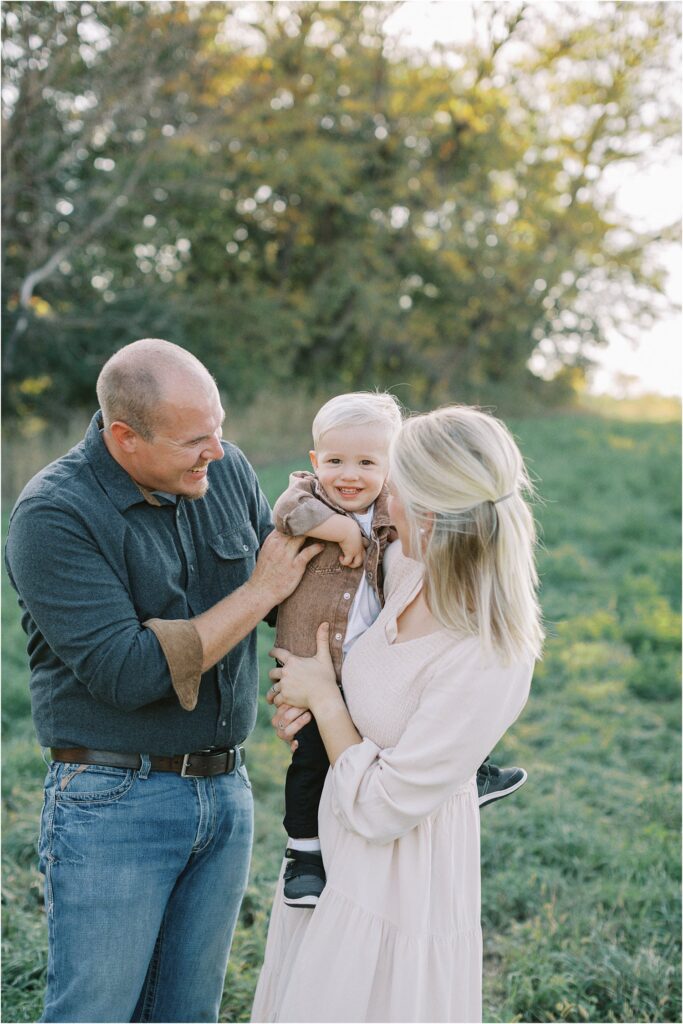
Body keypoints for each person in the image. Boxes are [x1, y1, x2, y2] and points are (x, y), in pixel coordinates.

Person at [4, 338, 322, 1024]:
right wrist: (261, 589)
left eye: (219, 427)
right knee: (95, 1012)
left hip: (226, 792)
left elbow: (288, 594)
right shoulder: (52, 515)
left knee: (188, 1013)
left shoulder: (226, 468)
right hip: (114, 800)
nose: (217, 449)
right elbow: (128, 670)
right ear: (125, 437)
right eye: (193, 440)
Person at [252, 404, 543, 1024]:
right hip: (335, 855)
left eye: (395, 486)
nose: (383, 504)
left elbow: (384, 808)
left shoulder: (487, 656)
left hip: (399, 884)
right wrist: (303, 707)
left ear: (432, 511)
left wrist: (324, 698)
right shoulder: (410, 569)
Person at [271, 392, 400, 906]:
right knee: (312, 759)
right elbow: (286, 512)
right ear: (313, 462)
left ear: (391, 466)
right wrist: (342, 527)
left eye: (367, 462)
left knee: (403, 728)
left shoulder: (395, 509)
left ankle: (465, 768)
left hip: (371, 664)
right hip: (310, 662)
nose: (350, 475)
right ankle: (303, 852)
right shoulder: (309, 498)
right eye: (335, 461)